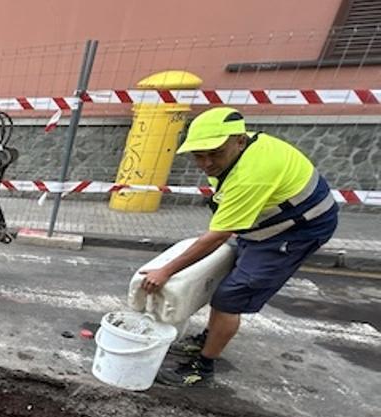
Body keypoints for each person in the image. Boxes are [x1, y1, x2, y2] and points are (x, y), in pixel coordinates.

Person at [139, 107, 338, 387]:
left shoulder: (252, 173)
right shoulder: (236, 158)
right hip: (270, 223)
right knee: (233, 269)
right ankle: (210, 338)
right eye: (199, 155)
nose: (207, 163)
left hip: (295, 232)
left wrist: (166, 270)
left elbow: (218, 235)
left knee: (231, 296)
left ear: (240, 141)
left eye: (215, 153)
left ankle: (202, 369)